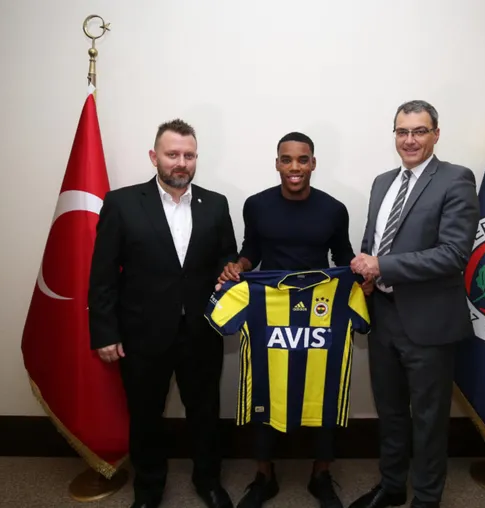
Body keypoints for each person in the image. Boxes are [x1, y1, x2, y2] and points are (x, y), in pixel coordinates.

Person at [88, 119, 237, 508]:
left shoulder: (216, 204)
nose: (181, 163)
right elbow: (103, 274)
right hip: (141, 333)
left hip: (201, 332)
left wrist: (229, 271)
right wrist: (105, 332)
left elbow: (226, 256)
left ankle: (208, 481)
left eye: (189, 155)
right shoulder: (121, 203)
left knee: (205, 412)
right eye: (173, 154)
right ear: (154, 157)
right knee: (145, 416)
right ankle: (149, 489)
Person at [217, 132, 368, 508]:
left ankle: (321, 474)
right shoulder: (256, 204)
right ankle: (263, 476)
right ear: (277, 163)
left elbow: (343, 255)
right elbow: (251, 249)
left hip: (320, 312)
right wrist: (239, 265)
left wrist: (360, 277)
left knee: (325, 383)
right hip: (271, 310)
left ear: (313, 163)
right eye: (286, 159)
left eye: (302, 159)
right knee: (264, 384)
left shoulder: (334, 209)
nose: (294, 167)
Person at [349, 100, 480, 508]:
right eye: (402, 131)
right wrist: (368, 274)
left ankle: (426, 498)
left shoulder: (456, 179)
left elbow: (453, 254)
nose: (410, 140)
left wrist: (382, 265)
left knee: (428, 418)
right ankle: (392, 487)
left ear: (436, 134)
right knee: (389, 411)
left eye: (419, 131)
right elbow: (374, 242)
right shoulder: (382, 182)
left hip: (429, 322)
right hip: (384, 316)